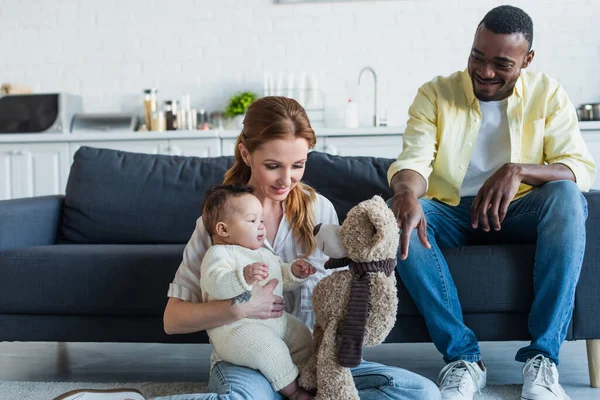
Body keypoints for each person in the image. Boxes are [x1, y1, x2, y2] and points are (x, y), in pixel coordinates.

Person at [57, 97, 442, 400]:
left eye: (298, 165)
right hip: (246, 359)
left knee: (421, 393)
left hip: (310, 358)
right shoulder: (220, 224)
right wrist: (237, 307)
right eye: (273, 165)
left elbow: (339, 296)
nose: (286, 179)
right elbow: (172, 319)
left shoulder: (320, 211)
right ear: (246, 153)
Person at [388, 5, 596, 400]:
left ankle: (544, 360)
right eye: (477, 57)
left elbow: (580, 168)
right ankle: (463, 359)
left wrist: (518, 170)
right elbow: (413, 162)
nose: (484, 72)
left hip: (520, 210)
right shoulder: (435, 93)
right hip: (450, 210)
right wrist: (405, 194)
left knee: (567, 197)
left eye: (501, 64)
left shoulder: (547, 93)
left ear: (527, 60)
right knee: (397, 213)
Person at [199, 184, 315, 399]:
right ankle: (294, 391)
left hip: (275, 322)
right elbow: (216, 283)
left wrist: (293, 272)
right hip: (238, 330)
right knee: (270, 350)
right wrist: (243, 276)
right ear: (223, 230)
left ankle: (306, 377)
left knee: (302, 336)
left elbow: (277, 279)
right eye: (252, 221)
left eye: (261, 220)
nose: (261, 226)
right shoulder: (219, 254)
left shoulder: (263, 253)